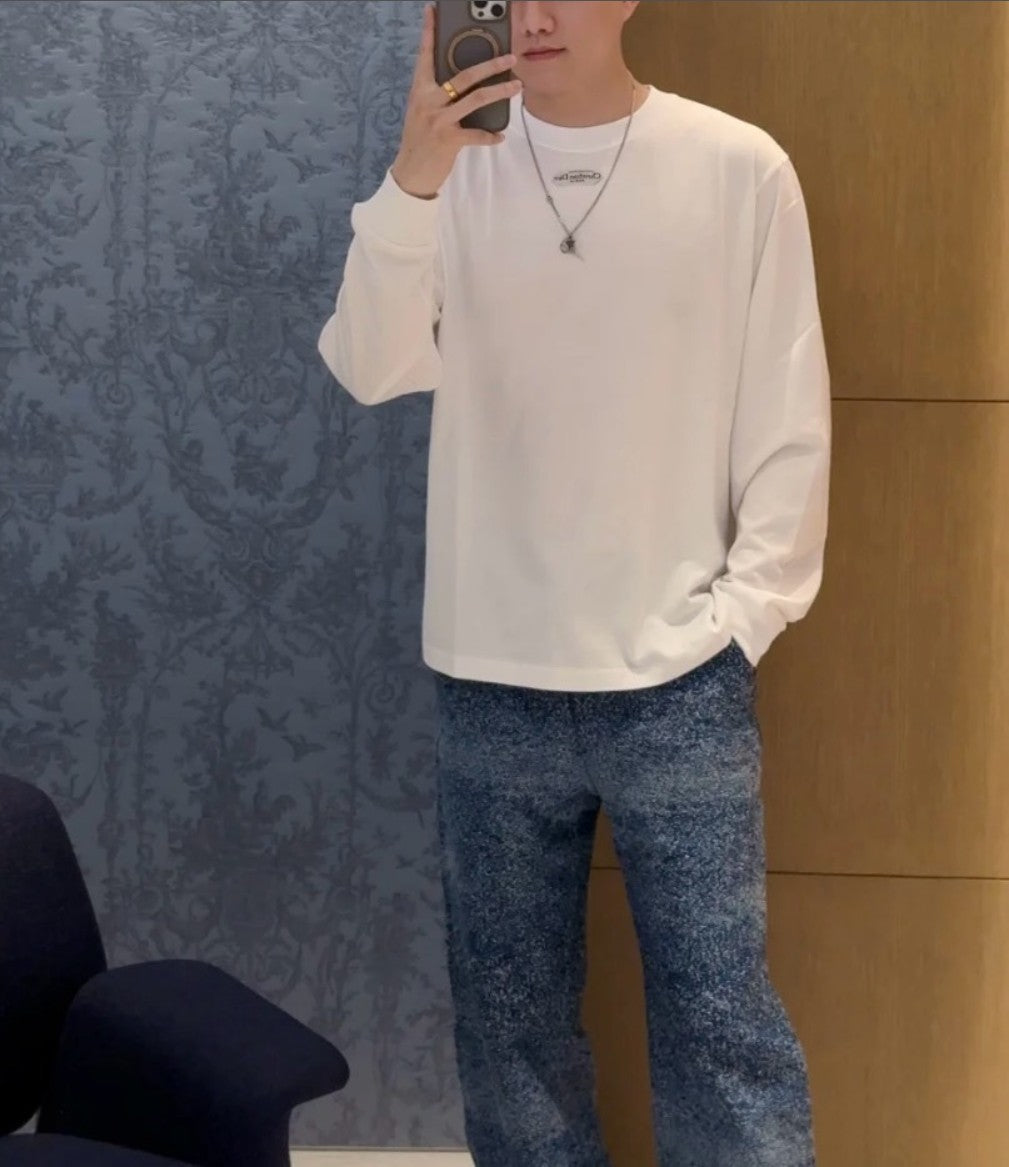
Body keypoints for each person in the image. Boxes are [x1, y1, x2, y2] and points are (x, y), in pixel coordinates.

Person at [317, 1, 830, 1163]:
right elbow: (368, 366)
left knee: (723, 1033)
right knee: (512, 1042)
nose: (536, 14)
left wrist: (742, 621)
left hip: (680, 680)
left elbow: (788, 421)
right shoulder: (449, 175)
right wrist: (412, 179)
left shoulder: (737, 167)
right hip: (487, 671)